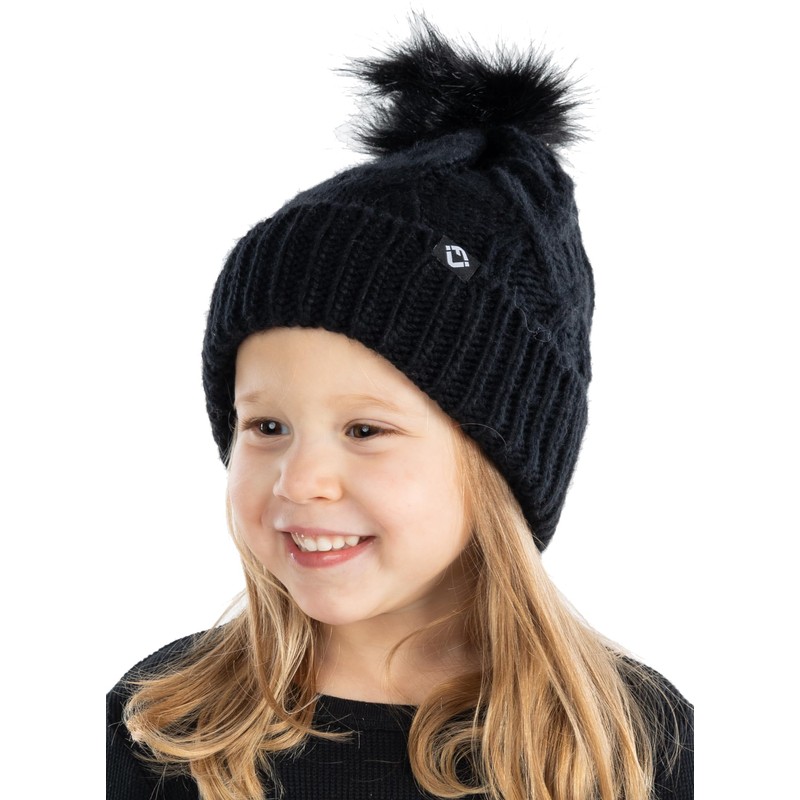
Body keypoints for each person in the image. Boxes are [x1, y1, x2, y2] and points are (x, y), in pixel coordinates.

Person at [106, 19, 693, 800]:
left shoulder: (635, 742)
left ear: (498, 460)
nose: (300, 481)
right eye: (267, 427)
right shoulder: (159, 722)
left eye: (365, 429)